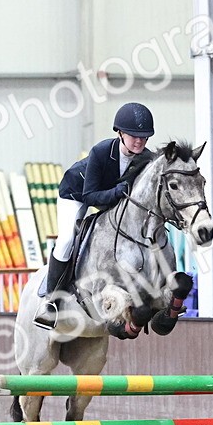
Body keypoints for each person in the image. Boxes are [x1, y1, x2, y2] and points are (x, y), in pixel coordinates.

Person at [34, 102, 155, 330]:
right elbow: (90, 196)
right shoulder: (101, 152)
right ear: (119, 133)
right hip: (77, 192)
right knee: (67, 239)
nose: (139, 141)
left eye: (144, 137)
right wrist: (117, 192)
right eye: (133, 136)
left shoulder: (146, 159)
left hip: (111, 198)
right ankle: (52, 301)